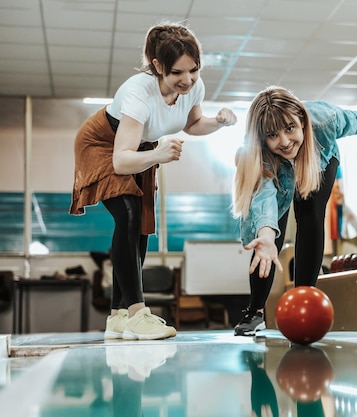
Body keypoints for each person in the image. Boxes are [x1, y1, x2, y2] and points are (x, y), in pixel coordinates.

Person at [70, 22, 237, 340]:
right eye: (177, 73)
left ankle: (118, 317)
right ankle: (136, 313)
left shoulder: (193, 87)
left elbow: (193, 124)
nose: (187, 80)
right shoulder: (138, 93)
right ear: (158, 67)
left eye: (194, 70)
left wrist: (218, 121)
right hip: (105, 145)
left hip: (141, 149)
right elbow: (120, 160)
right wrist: (158, 154)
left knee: (142, 223)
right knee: (129, 213)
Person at [231, 86, 357, 336]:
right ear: (262, 139)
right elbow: (265, 201)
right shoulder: (259, 155)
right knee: (267, 241)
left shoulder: (324, 118)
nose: (284, 142)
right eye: (273, 135)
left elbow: (353, 120)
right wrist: (265, 235)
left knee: (310, 213)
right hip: (279, 173)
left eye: (290, 129)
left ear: (301, 119)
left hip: (320, 160)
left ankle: (302, 300)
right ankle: (256, 311)